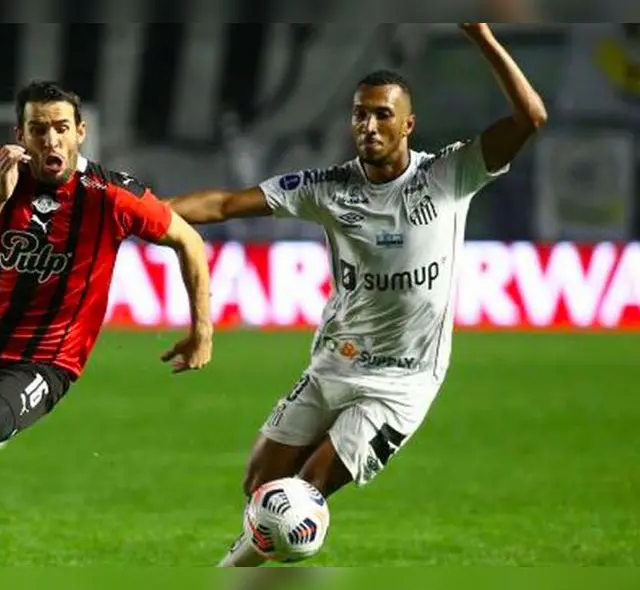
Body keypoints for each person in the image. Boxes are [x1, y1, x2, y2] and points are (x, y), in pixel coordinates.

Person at [166, 23, 547, 567]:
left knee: (300, 494)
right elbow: (225, 205)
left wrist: (483, 37)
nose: (368, 125)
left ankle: (231, 573)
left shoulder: (449, 174)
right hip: (332, 365)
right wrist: (137, 213)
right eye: (360, 114)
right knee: (259, 485)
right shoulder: (329, 186)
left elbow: (531, 119)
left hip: (401, 383)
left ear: (408, 124)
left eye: (382, 114)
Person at [0, 80, 214, 567]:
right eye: (38, 129)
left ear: (81, 133)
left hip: (46, 359)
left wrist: (202, 330)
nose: (51, 140)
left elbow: (189, 241)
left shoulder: (111, 195)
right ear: (21, 135)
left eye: (61, 128)